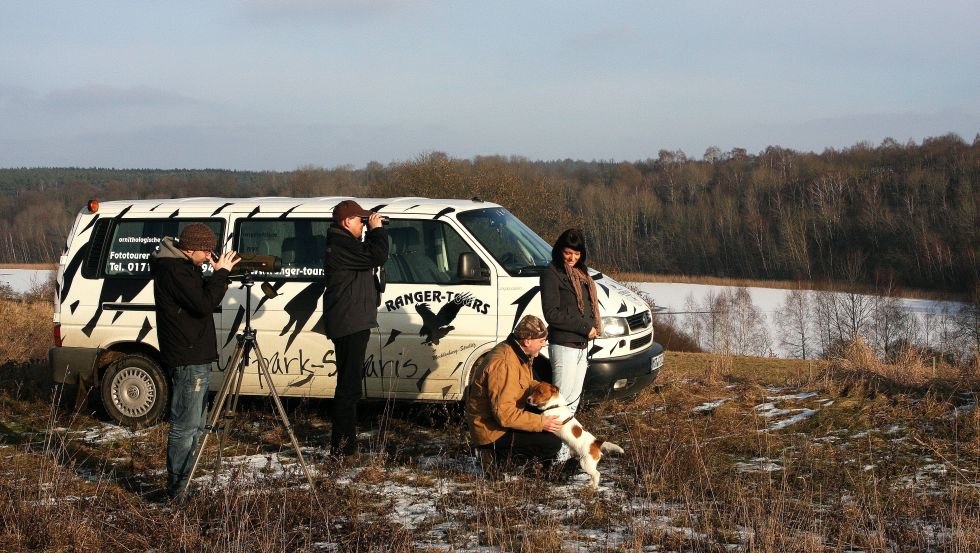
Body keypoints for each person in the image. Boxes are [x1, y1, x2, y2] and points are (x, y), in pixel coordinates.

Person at [150, 223, 239, 498]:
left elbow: (200, 298)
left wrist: (214, 273)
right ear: (190, 249)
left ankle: (183, 482)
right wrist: (221, 273)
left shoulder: (183, 268)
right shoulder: (175, 271)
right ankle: (177, 488)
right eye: (206, 251)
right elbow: (203, 304)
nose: (208, 256)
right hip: (188, 355)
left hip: (193, 352)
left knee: (196, 424)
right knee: (185, 426)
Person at [323, 200, 389, 456]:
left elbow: (373, 255)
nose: (363, 225)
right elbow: (377, 254)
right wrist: (377, 230)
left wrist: (376, 230)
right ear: (346, 221)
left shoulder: (346, 244)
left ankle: (344, 445)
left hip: (353, 320)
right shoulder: (339, 246)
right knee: (348, 388)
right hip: (349, 322)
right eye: (360, 221)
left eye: (365, 221)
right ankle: (342, 449)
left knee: (350, 386)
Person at [465, 315, 563, 468]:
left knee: (550, 424)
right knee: (552, 442)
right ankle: (495, 459)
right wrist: (541, 423)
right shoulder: (505, 364)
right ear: (527, 340)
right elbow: (505, 415)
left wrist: (547, 392)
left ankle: (543, 467)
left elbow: (524, 383)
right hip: (492, 431)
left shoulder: (517, 352)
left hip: (501, 421)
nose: (544, 344)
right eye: (541, 341)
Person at [540, 228, 600, 418]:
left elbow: (587, 307)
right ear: (559, 250)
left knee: (572, 403)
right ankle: (553, 447)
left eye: (576, 253)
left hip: (582, 345)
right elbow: (552, 314)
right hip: (564, 344)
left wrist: (594, 325)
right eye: (568, 252)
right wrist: (585, 326)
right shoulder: (551, 273)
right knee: (559, 403)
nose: (572, 257)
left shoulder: (581, 274)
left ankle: (564, 448)